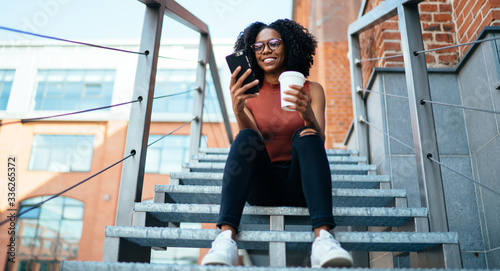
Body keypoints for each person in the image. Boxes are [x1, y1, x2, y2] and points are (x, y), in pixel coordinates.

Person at [201, 19, 353, 268]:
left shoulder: (312, 89)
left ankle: (323, 239)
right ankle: (226, 238)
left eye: (273, 43)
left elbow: (319, 141)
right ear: (251, 52)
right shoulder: (249, 94)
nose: (266, 50)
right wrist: (238, 108)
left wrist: (308, 115)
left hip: (301, 185)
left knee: (308, 135)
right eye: (258, 46)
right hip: (264, 186)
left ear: (290, 46)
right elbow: (249, 146)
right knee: (245, 137)